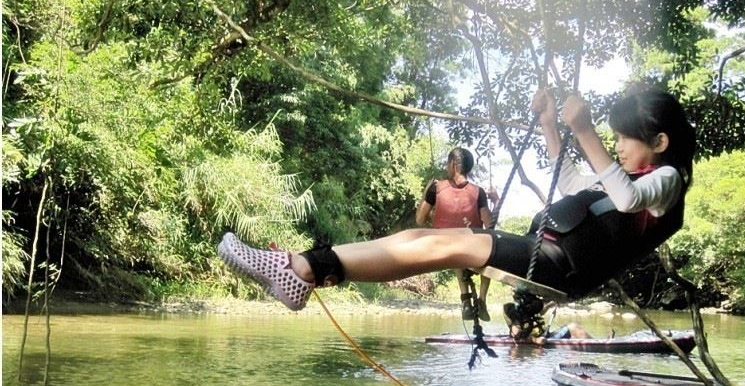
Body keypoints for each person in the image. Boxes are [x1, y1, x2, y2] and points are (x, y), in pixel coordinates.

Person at [217, 87, 696, 320]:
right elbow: (569, 181)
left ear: (659, 140)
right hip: (544, 251)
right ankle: (308, 267)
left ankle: (302, 269)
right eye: (613, 140)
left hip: (558, 268)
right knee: (423, 237)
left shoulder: (666, 182)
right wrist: (552, 124)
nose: (618, 149)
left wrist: (585, 130)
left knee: (446, 247)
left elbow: (626, 196)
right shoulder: (626, 175)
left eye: (624, 141)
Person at [415, 147, 495, 321]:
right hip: (471, 247)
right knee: (485, 246)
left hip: (447, 248)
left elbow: (420, 219)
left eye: (447, 164)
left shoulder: (436, 188)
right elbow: (490, 225)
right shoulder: (478, 192)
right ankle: (482, 299)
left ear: (452, 164)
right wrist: (495, 201)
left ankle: (465, 298)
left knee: (455, 245)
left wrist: (426, 191)